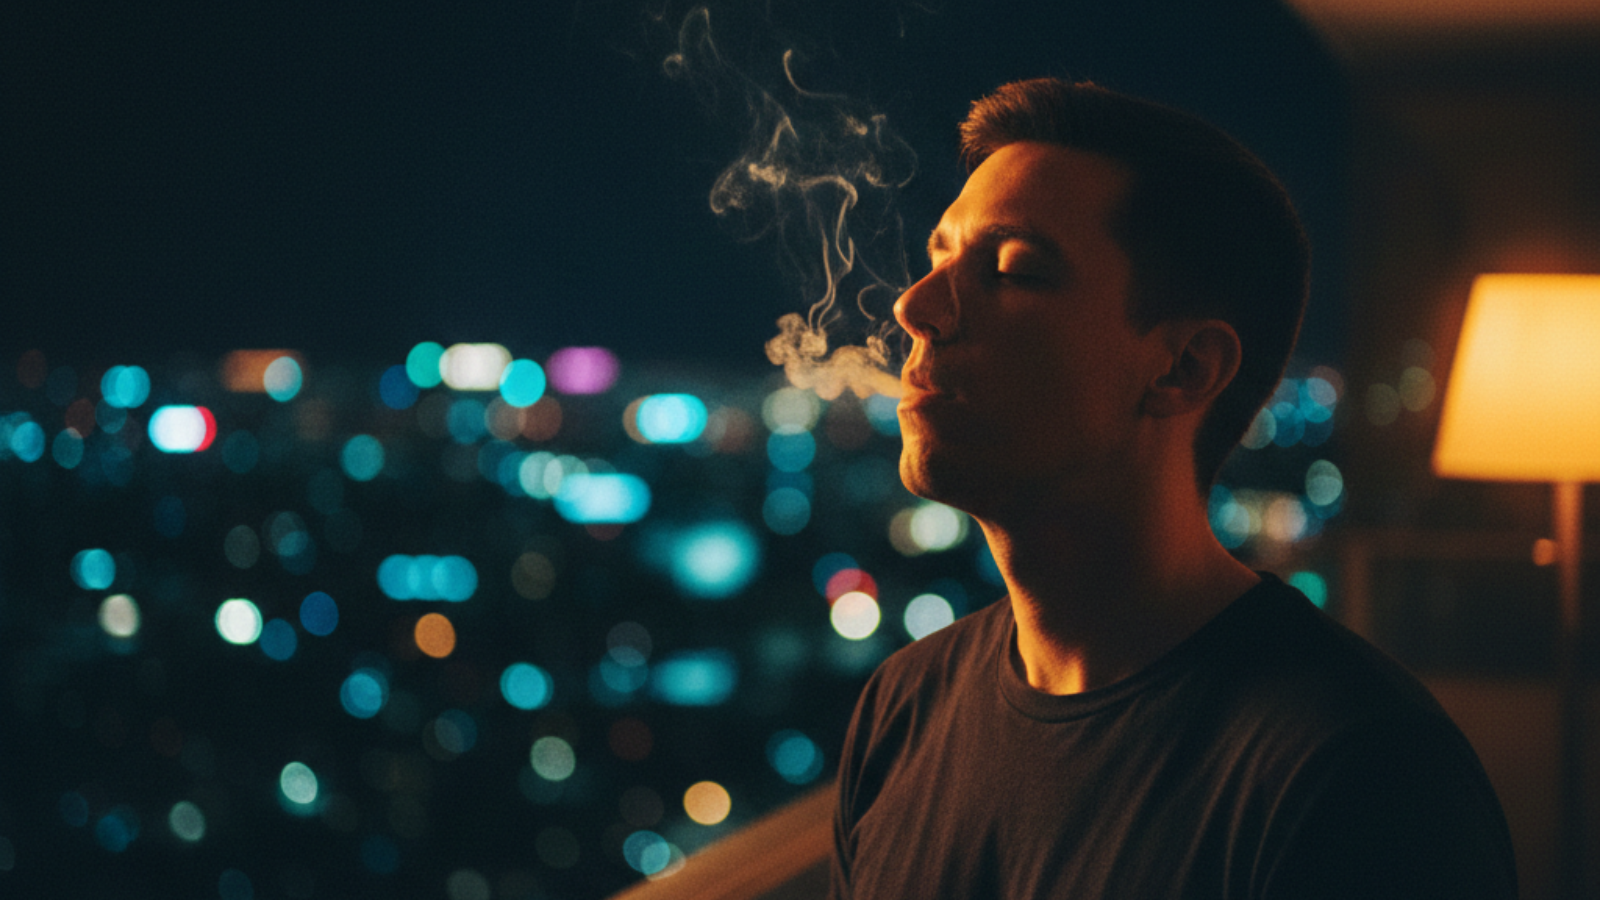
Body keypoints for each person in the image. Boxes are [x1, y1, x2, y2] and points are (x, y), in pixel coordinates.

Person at [829, 78, 1516, 899]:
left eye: (1011, 269)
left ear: (1184, 367)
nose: (916, 306)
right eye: (941, 257)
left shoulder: (1360, 775)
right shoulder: (904, 709)